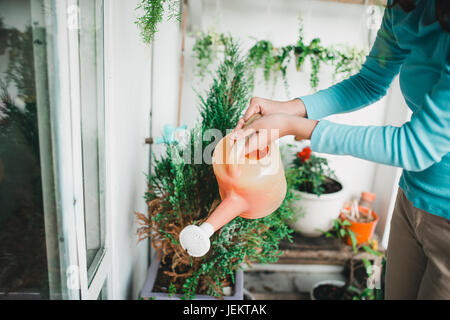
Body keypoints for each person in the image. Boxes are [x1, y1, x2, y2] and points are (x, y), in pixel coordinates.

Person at [232, 0, 449, 300]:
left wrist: (296, 128)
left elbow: (415, 147)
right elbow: (369, 82)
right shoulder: (403, 7)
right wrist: (292, 109)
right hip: (412, 196)